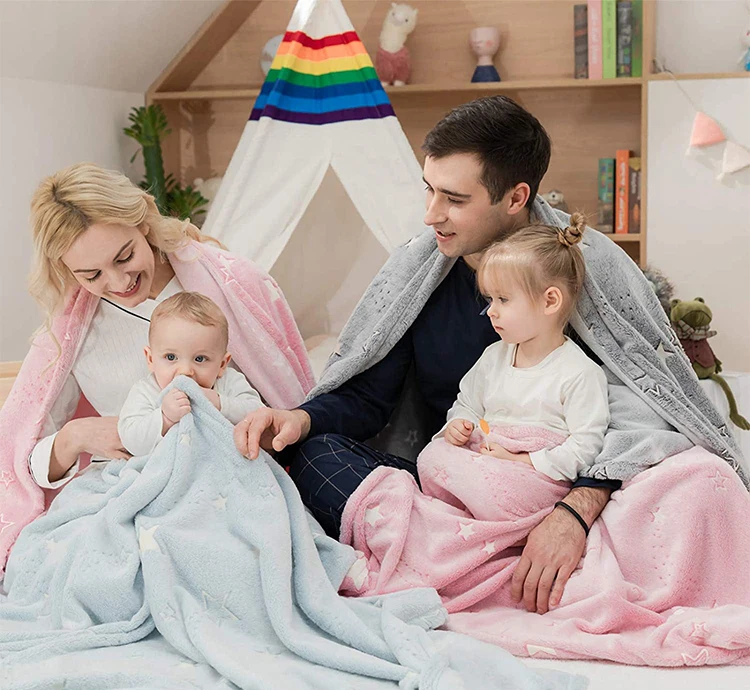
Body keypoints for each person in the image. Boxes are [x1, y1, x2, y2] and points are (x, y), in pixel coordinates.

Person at [235, 95, 746, 617]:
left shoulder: (584, 268)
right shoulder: (417, 272)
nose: (431, 215)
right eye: (429, 190)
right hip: (459, 493)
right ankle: (508, 570)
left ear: (516, 197)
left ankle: (463, 569)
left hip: (574, 480)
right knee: (316, 457)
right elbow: (368, 396)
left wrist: (576, 510)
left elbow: (645, 400)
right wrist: (300, 419)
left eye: (454, 199)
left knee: (703, 480)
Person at [0, 163, 313, 574]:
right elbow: (21, 462)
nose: (118, 282)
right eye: (91, 274)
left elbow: (293, 410)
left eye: (125, 256)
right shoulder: (71, 331)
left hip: (226, 484)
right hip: (126, 490)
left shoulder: (232, 286)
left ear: (143, 224)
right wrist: (75, 437)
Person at [444, 213, 610, 488]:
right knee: (433, 456)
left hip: (533, 479)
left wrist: (521, 461)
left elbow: (585, 447)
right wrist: (461, 424)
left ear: (550, 301)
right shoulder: (493, 358)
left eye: (503, 299)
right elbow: (468, 404)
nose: (491, 311)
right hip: (484, 463)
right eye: (490, 299)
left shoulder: (579, 373)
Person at [118, 292, 263, 457]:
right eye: (171, 357)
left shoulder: (228, 382)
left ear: (222, 364)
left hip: (223, 463)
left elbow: (259, 415)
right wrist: (165, 418)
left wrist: (219, 403)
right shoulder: (146, 391)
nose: (185, 371)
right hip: (171, 467)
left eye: (200, 359)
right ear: (150, 359)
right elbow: (131, 440)